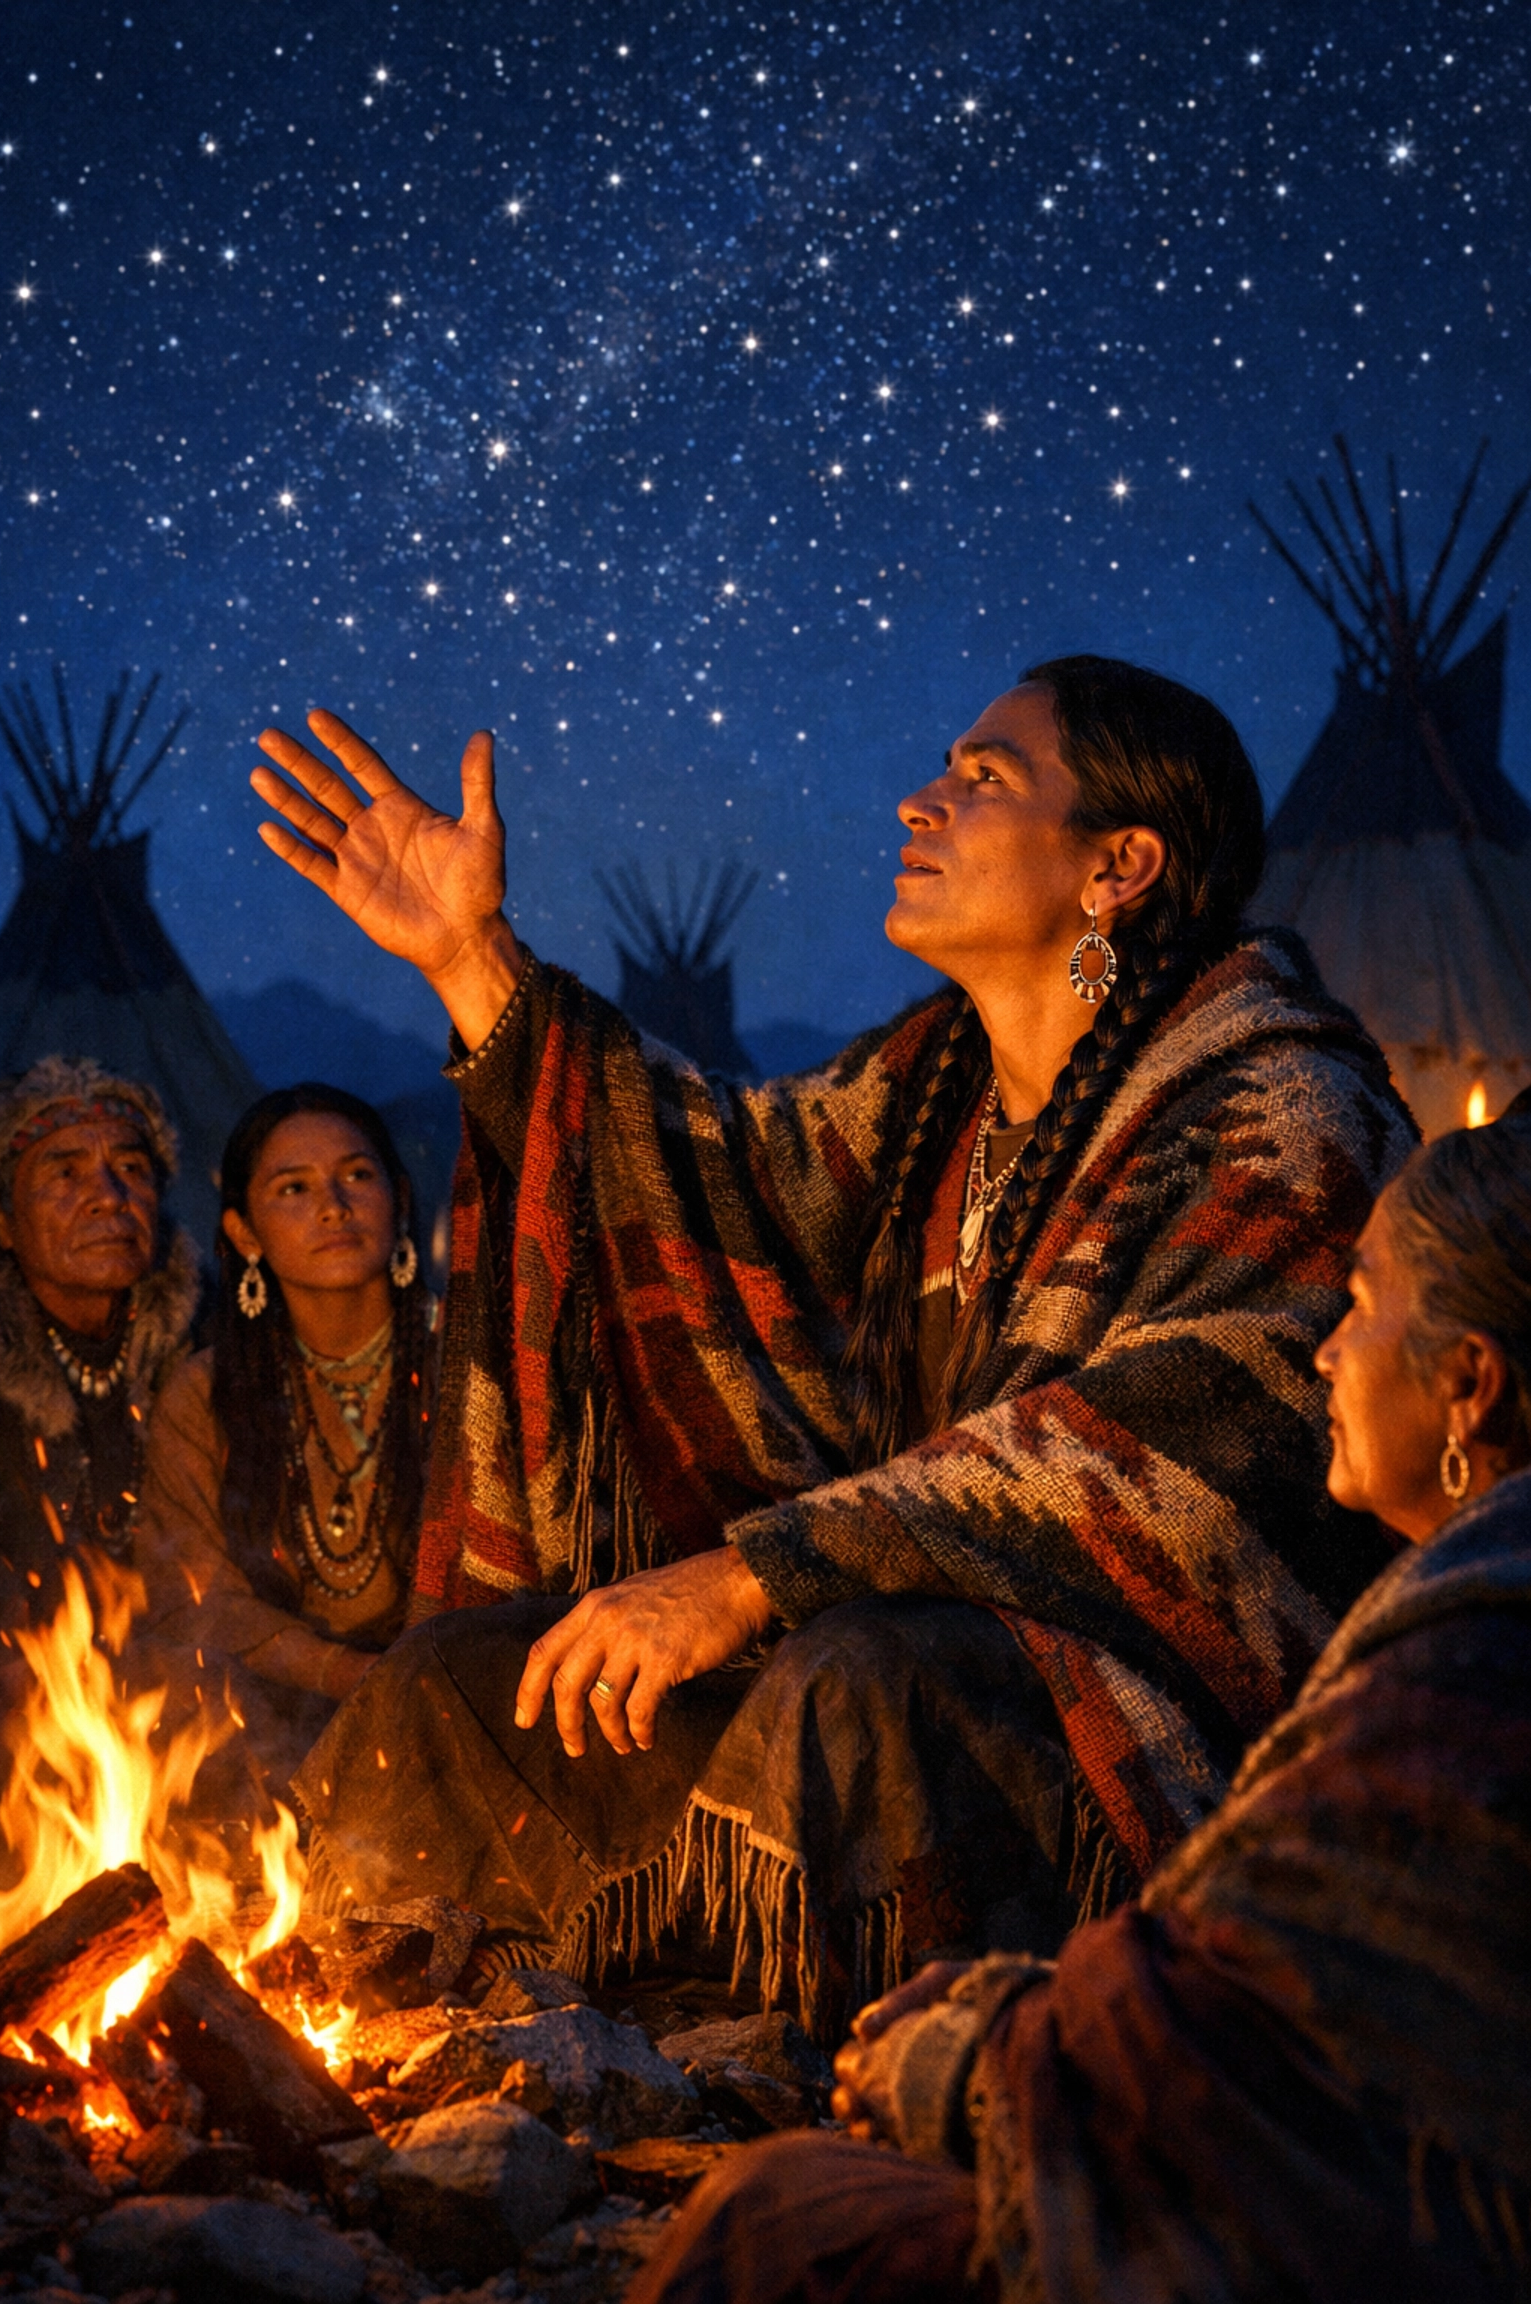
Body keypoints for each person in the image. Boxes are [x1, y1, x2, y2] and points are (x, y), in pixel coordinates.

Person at [253, 658, 1413, 2030]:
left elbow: (1173, 1435)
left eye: (984, 781)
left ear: (1120, 866)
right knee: (472, 1685)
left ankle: (845, 2066)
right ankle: (379, 2010)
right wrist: (470, 959)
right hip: (870, 1643)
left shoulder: (1284, 1117)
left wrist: (752, 1575)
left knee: (858, 1691)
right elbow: (700, 1180)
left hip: (1145, 1742)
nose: (923, 803)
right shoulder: (936, 1092)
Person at [630, 1115, 1531, 2304]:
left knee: (779, 2220)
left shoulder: (1467, 1676)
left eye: (1361, 1304)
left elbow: (1242, 2044)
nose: (1322, 1354)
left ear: (1468, 1385)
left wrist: (975, 2063)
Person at [132, 1087, 436, 1761]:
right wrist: (344, 1673)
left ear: (401, 1199)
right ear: (245, 1234)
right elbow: (192, 1600)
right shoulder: (207, 1395)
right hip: (267, 1736)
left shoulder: (473, 1369)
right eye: (293, 1189)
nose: (334, 1206)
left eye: (357, 1175)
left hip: (457, 1710)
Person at [0, 1056, 197, 1632]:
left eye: (131, 1168)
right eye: (65, 1174)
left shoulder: (208, 1351)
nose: (109, 1196)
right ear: (4, 1225)